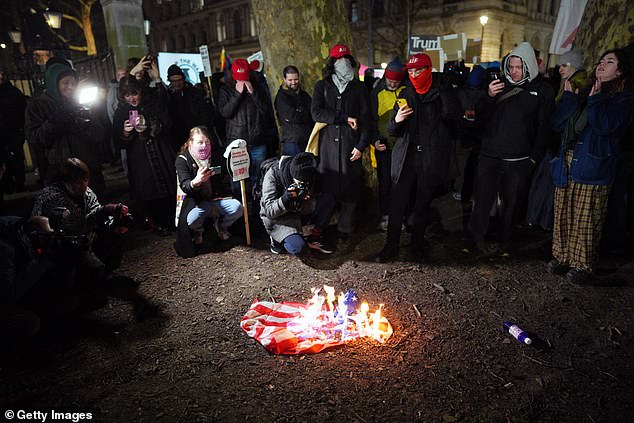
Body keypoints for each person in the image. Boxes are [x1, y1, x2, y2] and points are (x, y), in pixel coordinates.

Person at [548, 49, 634, 284]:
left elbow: (605, 126)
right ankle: (562, 257)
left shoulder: (623, 99)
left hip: (594, 165)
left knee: (585, 218)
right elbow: (557, 124)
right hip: (568, 161)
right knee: (564, 212)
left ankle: (582, 265)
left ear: (620, 71)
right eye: (600, 60)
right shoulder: (584, 92)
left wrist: (595, 100)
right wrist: (569, 99)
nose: (602, 64)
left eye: (610, 62)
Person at [464, 42, 555, 255]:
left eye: (518, 67)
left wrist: (534, 158)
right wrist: (489, 96)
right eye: (511, 67)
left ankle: (505, 243)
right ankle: (474, 241)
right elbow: (480, 116)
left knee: (511, 204)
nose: (513, 71)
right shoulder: (498, 85)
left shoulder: (543, 90)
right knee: (482, 201)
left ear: (529, 66)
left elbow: (544, 127)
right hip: (490, 155)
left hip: (519, 159)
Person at [375, 53, 462, 263]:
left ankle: (417, 246)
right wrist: (397, 119)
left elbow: (453, 117)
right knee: (397, 205)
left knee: (422, 204)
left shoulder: (441, 92)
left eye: (418, 71)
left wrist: (445, 90)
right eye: (411, 71)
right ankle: (391, 246)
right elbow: (392, 130)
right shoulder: (406, 93)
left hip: (429, 159)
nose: (414, 75)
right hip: (406, 158)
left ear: (428, 70)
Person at [32, 157, 131, 289]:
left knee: (118, 233)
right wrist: (104, 211)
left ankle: (101, 274)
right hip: (59, 247)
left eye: (85, 180)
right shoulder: (51, 197)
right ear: (65, 182)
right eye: (78, 183)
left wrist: (115, 224)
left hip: (83, 240)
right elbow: (76, 227)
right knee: (92, 268)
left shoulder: (86, 193)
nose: (84, 185)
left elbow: (96, 216)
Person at [311, 44, 371, 240]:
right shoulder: (322, 86)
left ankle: (346, 229)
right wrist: (343, 118)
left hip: (350, 146)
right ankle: (322, 226)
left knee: (350, 189)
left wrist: (361, 145)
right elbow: (316, 113)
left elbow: (366, 119)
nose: (342, 63)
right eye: (338, 60)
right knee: (326, 188)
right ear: (332, 63)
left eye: (346, 59)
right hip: (327, 147)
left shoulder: (359, 88)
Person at [24, 63, 106, 193]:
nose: (71, 87)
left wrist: (84, 124)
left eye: (73, 83)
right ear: (54, 83)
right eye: (66, 83)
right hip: (61, 172)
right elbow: (35, 138)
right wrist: (53, 122)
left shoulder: (81, 102)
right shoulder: (38, 106)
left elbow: (100, 134)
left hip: (88, 168)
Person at [113, 76, 176, 236]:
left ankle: (174, 219)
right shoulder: (121, 112)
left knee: (168, 186)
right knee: (148, 190)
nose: (132, 98)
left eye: (134, 93)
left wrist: (151, 126)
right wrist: (125, 133)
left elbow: (168, 123)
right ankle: (158, 223)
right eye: (127, 95)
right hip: (140, 157)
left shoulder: (153, 103)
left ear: (140, 91)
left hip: (160, 151)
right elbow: (117, 142)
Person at [174, 126, 243, 258]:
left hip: (216, 198)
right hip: (196, 203)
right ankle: (198, 232)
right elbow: (185, 185)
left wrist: (236, 153)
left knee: (238, 208)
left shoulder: (215, 156)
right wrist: (196, 181)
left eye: (207, 142)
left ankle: (221, 227)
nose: (204, 146)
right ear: (191, 143)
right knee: (192, 219)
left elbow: (230, 166)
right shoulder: (183, 160)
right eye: (200, 142)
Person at [260, 152, 335, 255]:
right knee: (299, 248)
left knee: (328, 199)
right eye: (299, 183)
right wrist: (285, 199)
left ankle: (313, 238)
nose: (303, 185)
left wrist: (304, 197)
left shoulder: (310, 173)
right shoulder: (273, 175)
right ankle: (276, 238)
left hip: (300, 209)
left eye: (306, 183)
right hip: (281, 217)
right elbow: (269, 211)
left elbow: (313, 199)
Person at [217, 58, 273, 191]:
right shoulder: (225, 90)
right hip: (237, 144)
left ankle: (258, 203)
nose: (242, 81)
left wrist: (253, 93)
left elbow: (267, 111)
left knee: (259, 178)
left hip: (257, 142)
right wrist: (237, 94)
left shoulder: (257, 87)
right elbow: (225, 113)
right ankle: (240, 204)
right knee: (238, 180)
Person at [370, 59, 406, 231]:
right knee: (384, 184)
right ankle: (385, 215)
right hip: (383, 147)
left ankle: (400, 215)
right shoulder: (377, 92)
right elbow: (371, 120)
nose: (392, 84)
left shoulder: (406, 91)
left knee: (400, 184)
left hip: (401, 147)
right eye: (390, 81)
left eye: (395, 82)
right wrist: (374, 140)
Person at [167, 64, 213, 152]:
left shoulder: (194, 93)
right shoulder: (168, 97)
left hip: (197, 133)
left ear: (183, 79)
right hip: (179, 137)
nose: (177, 83)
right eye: (174, 81)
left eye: (179, 80)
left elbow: (204, 113)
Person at [274, 65, 314, 156]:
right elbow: (293, 117)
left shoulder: (304, 95)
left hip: (308, 139)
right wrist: (305, 113)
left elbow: (313, 112)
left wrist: (301, 112)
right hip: (292, 142)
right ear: (284, 79)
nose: (293, 82)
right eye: (290, 80)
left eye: (296, 79)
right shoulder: (281, 98)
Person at [0, 68, 28, 195]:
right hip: (6, 131)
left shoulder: (14, 93)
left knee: (17, 159)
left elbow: (23, 110)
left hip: (13, 131)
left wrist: (20, 128)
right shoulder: (13, 92)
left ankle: (19, 184)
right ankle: (9, 184)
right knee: (6, 159)